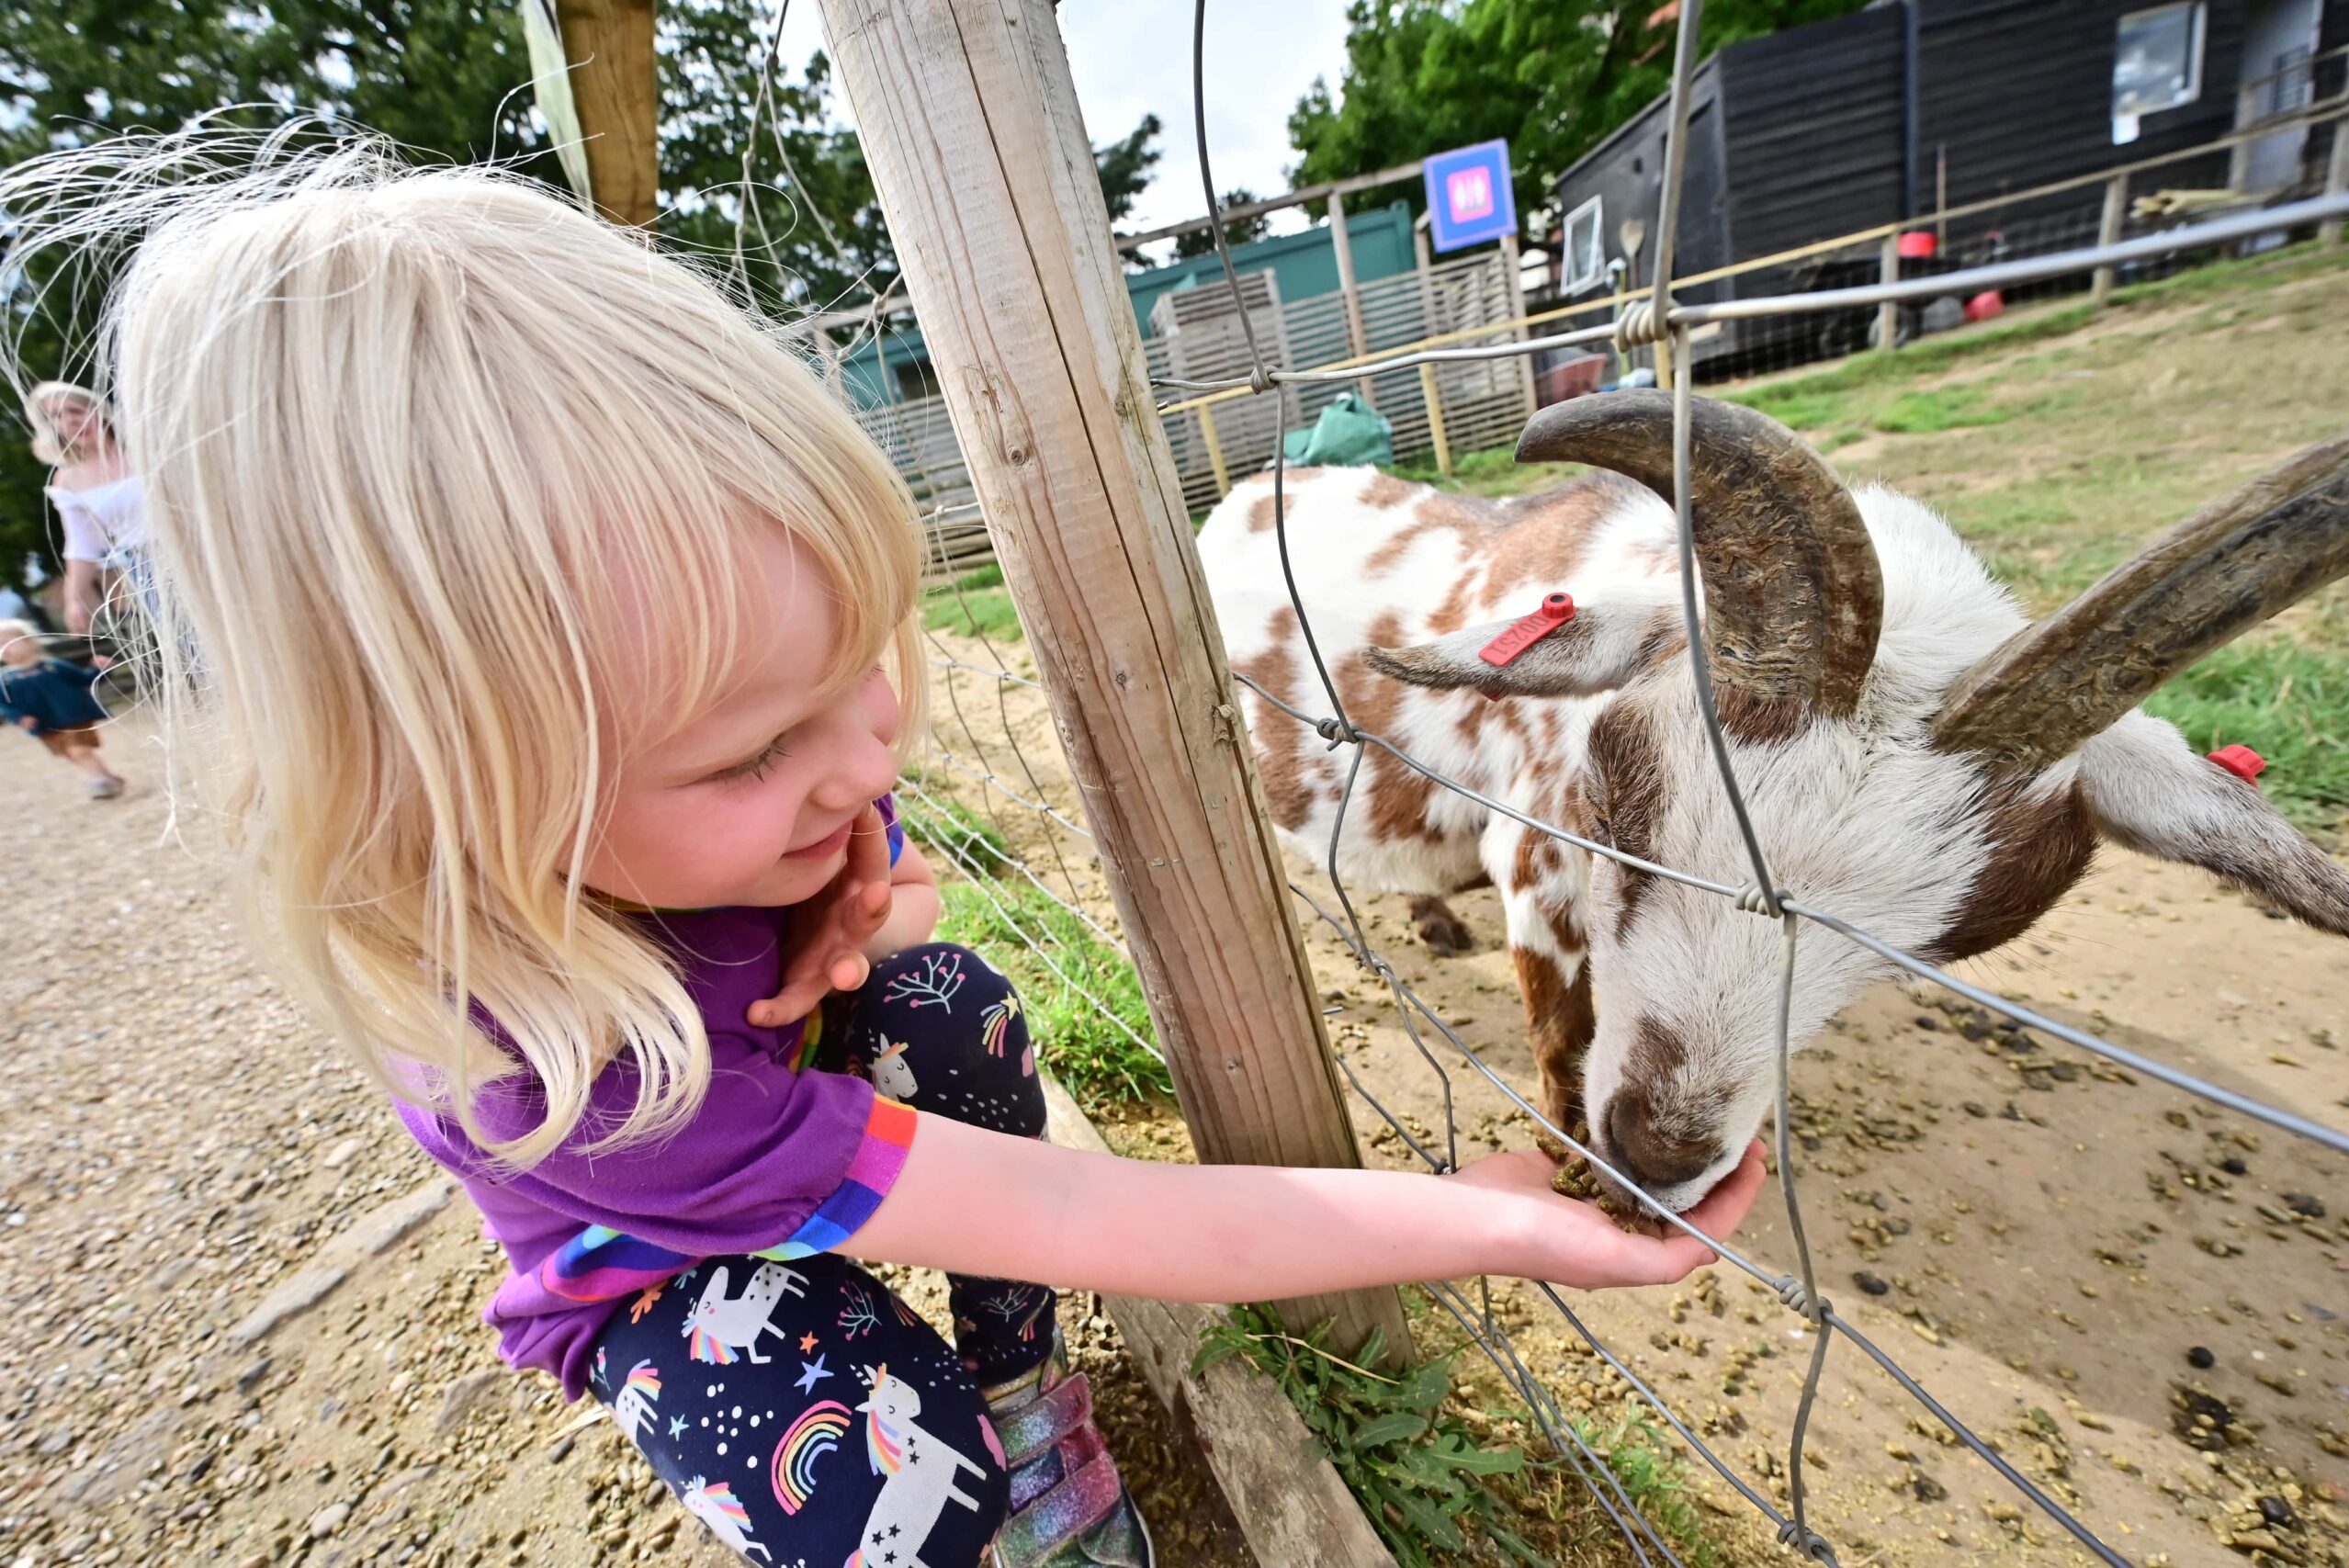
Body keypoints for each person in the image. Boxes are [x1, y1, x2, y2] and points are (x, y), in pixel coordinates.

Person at [15, 140, 1766, 1568]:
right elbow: (1091, 1203)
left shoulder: (716, 788)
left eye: (860, 657)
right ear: (463, 800)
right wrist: (1476, 1219)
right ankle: (962, 1482)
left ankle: (1021, 1395)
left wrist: (855, 895)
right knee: (880, 1491)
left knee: (947, 995)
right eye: (760, 744)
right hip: (668, 1272)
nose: (867, 754)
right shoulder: (592, 1073)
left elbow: (852, 838)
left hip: (790, 1109)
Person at [24, 382, 148, 637]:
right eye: (57, 416)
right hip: (145, 568)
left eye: (75, 410)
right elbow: (82, 546)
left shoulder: (143, 447)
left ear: (97, 410)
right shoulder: (68, 480)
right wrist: (75, 600)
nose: (70, 421)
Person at [0, 618, 125, 798]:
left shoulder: (54, 666)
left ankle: (101, 783)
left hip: (73, 717)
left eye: (6, 643)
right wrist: (19, 717)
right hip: (45, 724)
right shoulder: (5, 680)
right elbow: (4, 704)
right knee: (72, 755)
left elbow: (85, 680)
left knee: (79, 751)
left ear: (30, 642)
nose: (3, 649)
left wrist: (101, 669)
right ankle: (108, 778)